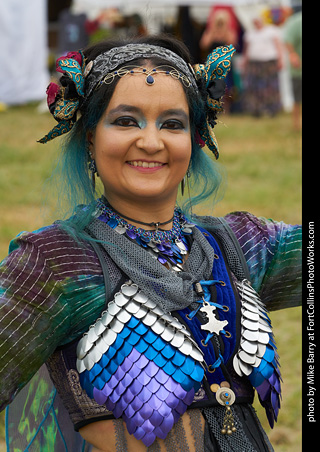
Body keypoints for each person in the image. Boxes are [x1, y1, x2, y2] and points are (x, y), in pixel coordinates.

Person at [0, 34, 301, 452]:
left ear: (195, 139)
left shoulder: (239, 245)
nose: (152, 141)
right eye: (126, 120)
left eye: (173, 124)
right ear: (89, 135)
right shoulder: (57, 262)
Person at [242, 16, 284, 117]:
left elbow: (278, 46)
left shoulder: (271, 31)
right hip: (254, 63)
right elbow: (246, 50)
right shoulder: (250, 34)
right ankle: (256, 109)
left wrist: (280, 60)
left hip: (269, 62)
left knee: (271, 86)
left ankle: (272, 109)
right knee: (254, 86)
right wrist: (245, 62)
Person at [283, 10, 302, 130]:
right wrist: (292, 54)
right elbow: (288, 40)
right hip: (299, 68)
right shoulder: (297, 21)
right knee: (297, 97)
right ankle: (297, 124)